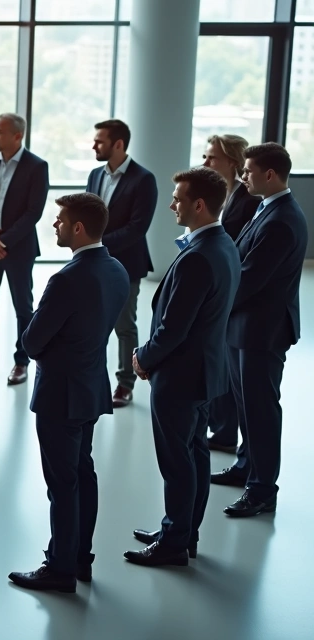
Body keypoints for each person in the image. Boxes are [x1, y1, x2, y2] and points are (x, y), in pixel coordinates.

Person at [7, 193, 129, 593]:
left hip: (60, 394)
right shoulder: (116, 269)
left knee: (61, 484)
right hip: (90, 387)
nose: (54, 225)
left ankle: (59, 569)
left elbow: (31, 341)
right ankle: (79, 558)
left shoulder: (66, 279)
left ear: (78, 228)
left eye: (59, 220)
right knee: (82, 474)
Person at [124, 167, 241, 567]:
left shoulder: (198, 257)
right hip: (205, 372)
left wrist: (143, 357)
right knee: (195, 455)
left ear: (199, 204)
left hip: (179, 376)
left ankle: (173, 543)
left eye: (178, 198)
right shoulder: (223, 244)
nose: (172, 204)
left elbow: (174, 328)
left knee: (177, 463)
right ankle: (183, 532)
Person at [213, 143, 308, 518]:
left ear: (270, 174)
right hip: (246, 327)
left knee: (261, 410)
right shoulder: (267, 207)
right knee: (245, 405)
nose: (243, 176)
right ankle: (245, 467)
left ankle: (262, 489)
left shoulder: (281, 219)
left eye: (249, 171)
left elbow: (251, 278)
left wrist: (213, 303)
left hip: (261, 331)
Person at [0, 113, 50, 385]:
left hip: (18, 248)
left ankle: (22, 362)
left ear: (17, 136)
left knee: (23, 307)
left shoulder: (37, 166)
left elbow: (33, 212)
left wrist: (1, 242)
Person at [84, 120, 157, 409]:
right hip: (92, 264)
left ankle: (125, 383)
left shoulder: (143, 179)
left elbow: (137, 228)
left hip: (126, 264)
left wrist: (97, 244)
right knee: (92, 324)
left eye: (99, 141)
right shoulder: (95, 175)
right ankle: (93, 379)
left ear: (118, 144)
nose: (94, 145)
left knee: (124, 325)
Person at [200, 134, 259, 453]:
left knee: (225, 365)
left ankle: (225, 431)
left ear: (233, 162)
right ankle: (221, 430)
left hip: (227, 290)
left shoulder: (248, 200)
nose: (206, 162)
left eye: (212, 157)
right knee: (216, 362)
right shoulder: (213, 195)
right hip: (214, 285)